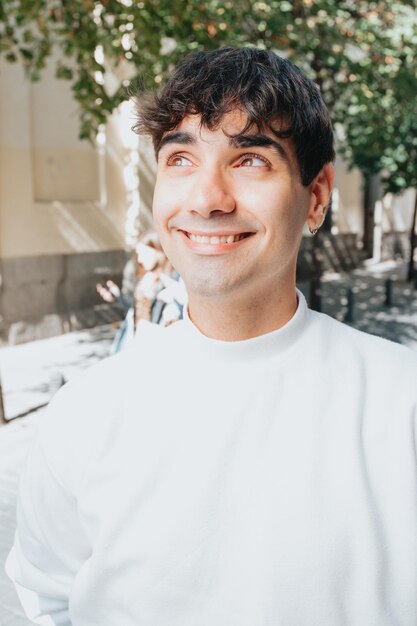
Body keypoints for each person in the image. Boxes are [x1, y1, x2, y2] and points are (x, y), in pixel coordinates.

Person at [5, 47, 417, 626]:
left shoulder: (403, 405)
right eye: (180, 159)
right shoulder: (85, 412)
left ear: (317, 197)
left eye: (250, 160)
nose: (206, 199)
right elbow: (46, 597)